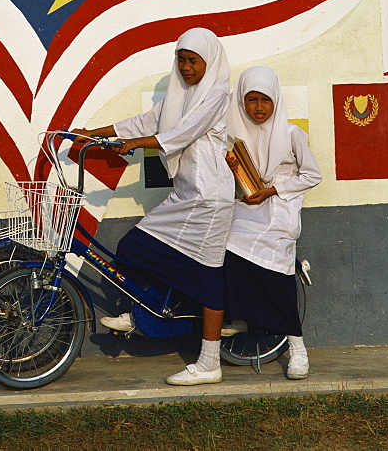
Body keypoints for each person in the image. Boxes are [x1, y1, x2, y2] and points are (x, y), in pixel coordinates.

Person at [72, 27, 234, 386]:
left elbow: (181, 134)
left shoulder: (218, 96)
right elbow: (145, 122)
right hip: (186, 196)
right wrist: (90, 135)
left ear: (211, 61)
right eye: (181, 59)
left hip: (210, 199)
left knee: (207, 279)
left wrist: (130, 144)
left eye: (194, 60)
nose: (187, 67)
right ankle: (147, 309)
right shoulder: (181, 96)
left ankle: (209, 363)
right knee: (133, 248)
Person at [223, 66, 321, 380]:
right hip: (248, 209)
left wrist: (274, 189)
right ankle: (239, 314)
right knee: (223, 245)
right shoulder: (235, 137)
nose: (259, 107)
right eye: (251, 100)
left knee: (277, 275)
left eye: (266, 100)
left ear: (276, 100)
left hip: (280, 210)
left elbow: (312, 175)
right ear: (241, 101)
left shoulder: (290, 133)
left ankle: (298, 349)